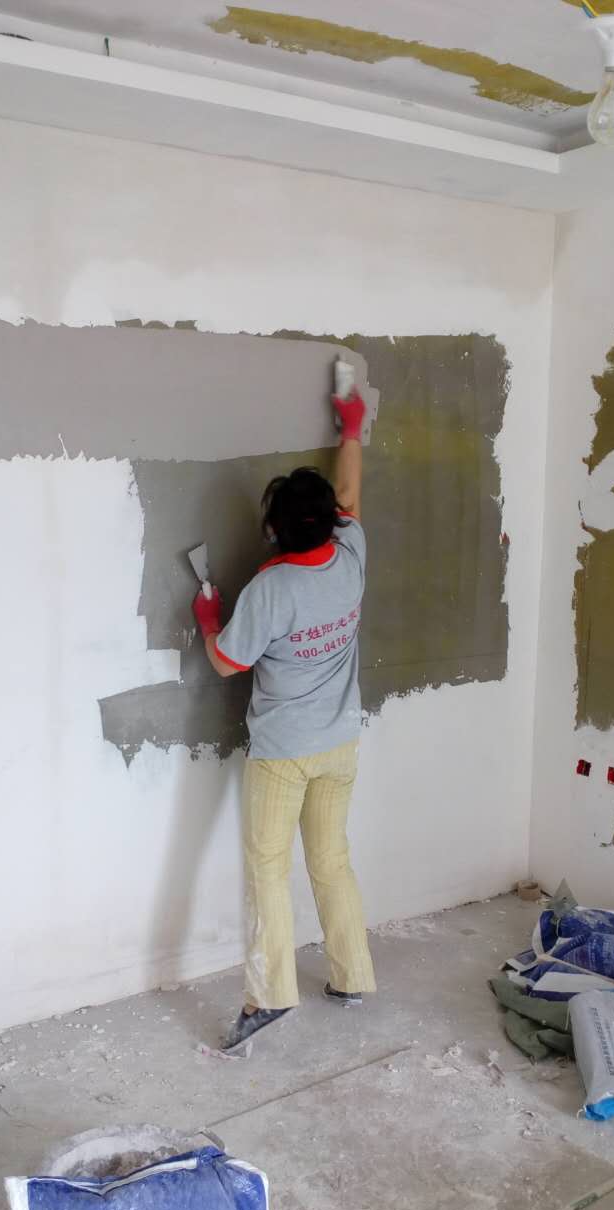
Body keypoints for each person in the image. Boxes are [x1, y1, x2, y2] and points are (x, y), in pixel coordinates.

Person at [192, 389, 376, 1050]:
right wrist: (351, 429)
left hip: (283, 751)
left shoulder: (270, 590)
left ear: (274, 530)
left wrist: (209, 620)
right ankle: (352, 976)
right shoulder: (350, 553)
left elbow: (225, 663)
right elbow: (349, 495)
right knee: (331, 859)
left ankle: (269, 996)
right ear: (328, 522)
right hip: (341, 741)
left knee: (269, 867)